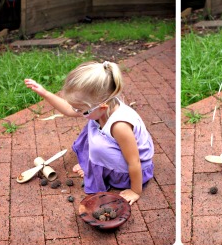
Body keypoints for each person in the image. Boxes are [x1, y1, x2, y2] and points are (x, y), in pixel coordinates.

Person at [24, 60, 154, 205]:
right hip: (121, 154)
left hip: (131, 173)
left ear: (102, 107)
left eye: (80, 109)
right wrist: (45, 93)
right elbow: (68, 110)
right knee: (92, 127)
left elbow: (134, 161)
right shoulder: (100, 106)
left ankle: (98, 168)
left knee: (98, 144)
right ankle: (93, 164)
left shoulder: (120, 126)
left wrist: (135, 191)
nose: (76, 112)